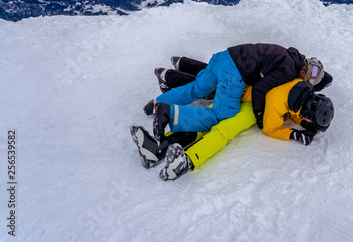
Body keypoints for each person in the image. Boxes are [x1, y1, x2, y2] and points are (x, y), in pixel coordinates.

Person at [131, 56, 334, 181]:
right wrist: (295, 134)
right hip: (253, 104)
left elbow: (296, 109)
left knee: (205, 119)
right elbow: (272, 126)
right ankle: (186, 160)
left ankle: (158, 148)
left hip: (240, 91)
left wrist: (303, 125)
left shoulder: (296, 76)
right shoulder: (296, 87)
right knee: (221, 129)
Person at [145, 43, 328, 141]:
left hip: (224, 57)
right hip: (234, 73)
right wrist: (259, 114)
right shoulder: (289, 70)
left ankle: (155, 104)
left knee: (195, 89)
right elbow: (259, 89)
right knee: (222, 114)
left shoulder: (288, 56)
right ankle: (167, 113)